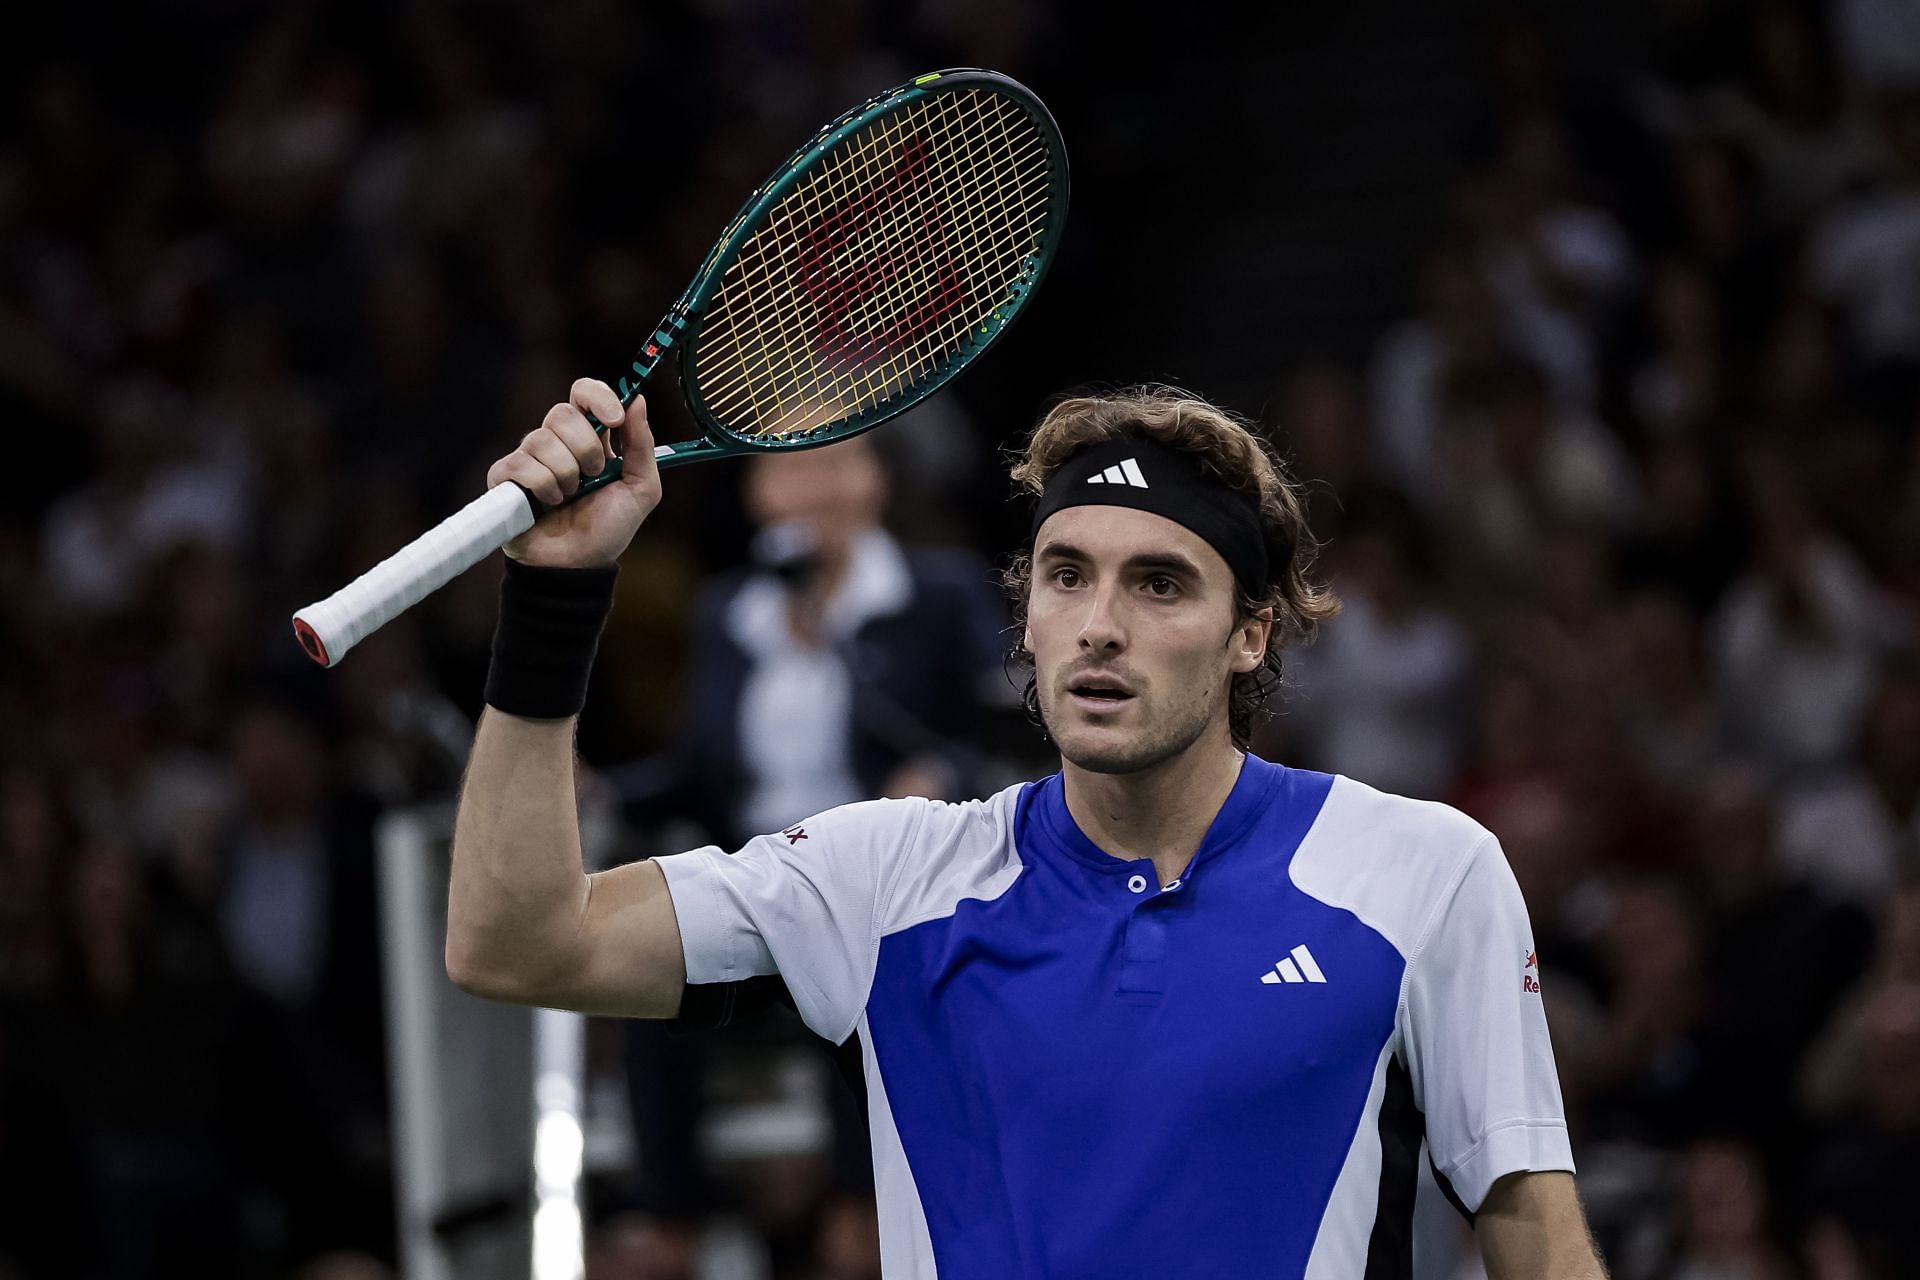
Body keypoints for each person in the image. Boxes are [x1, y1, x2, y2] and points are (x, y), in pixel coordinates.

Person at [446, 380, 1608, 1278]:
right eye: (1067, 575)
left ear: (1252, 632)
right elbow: (518, 941)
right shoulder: (887, 877)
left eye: (1160, 583)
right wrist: (555, 597)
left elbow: (1540, 1245)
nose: (1099, 624)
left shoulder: (1423, 868)